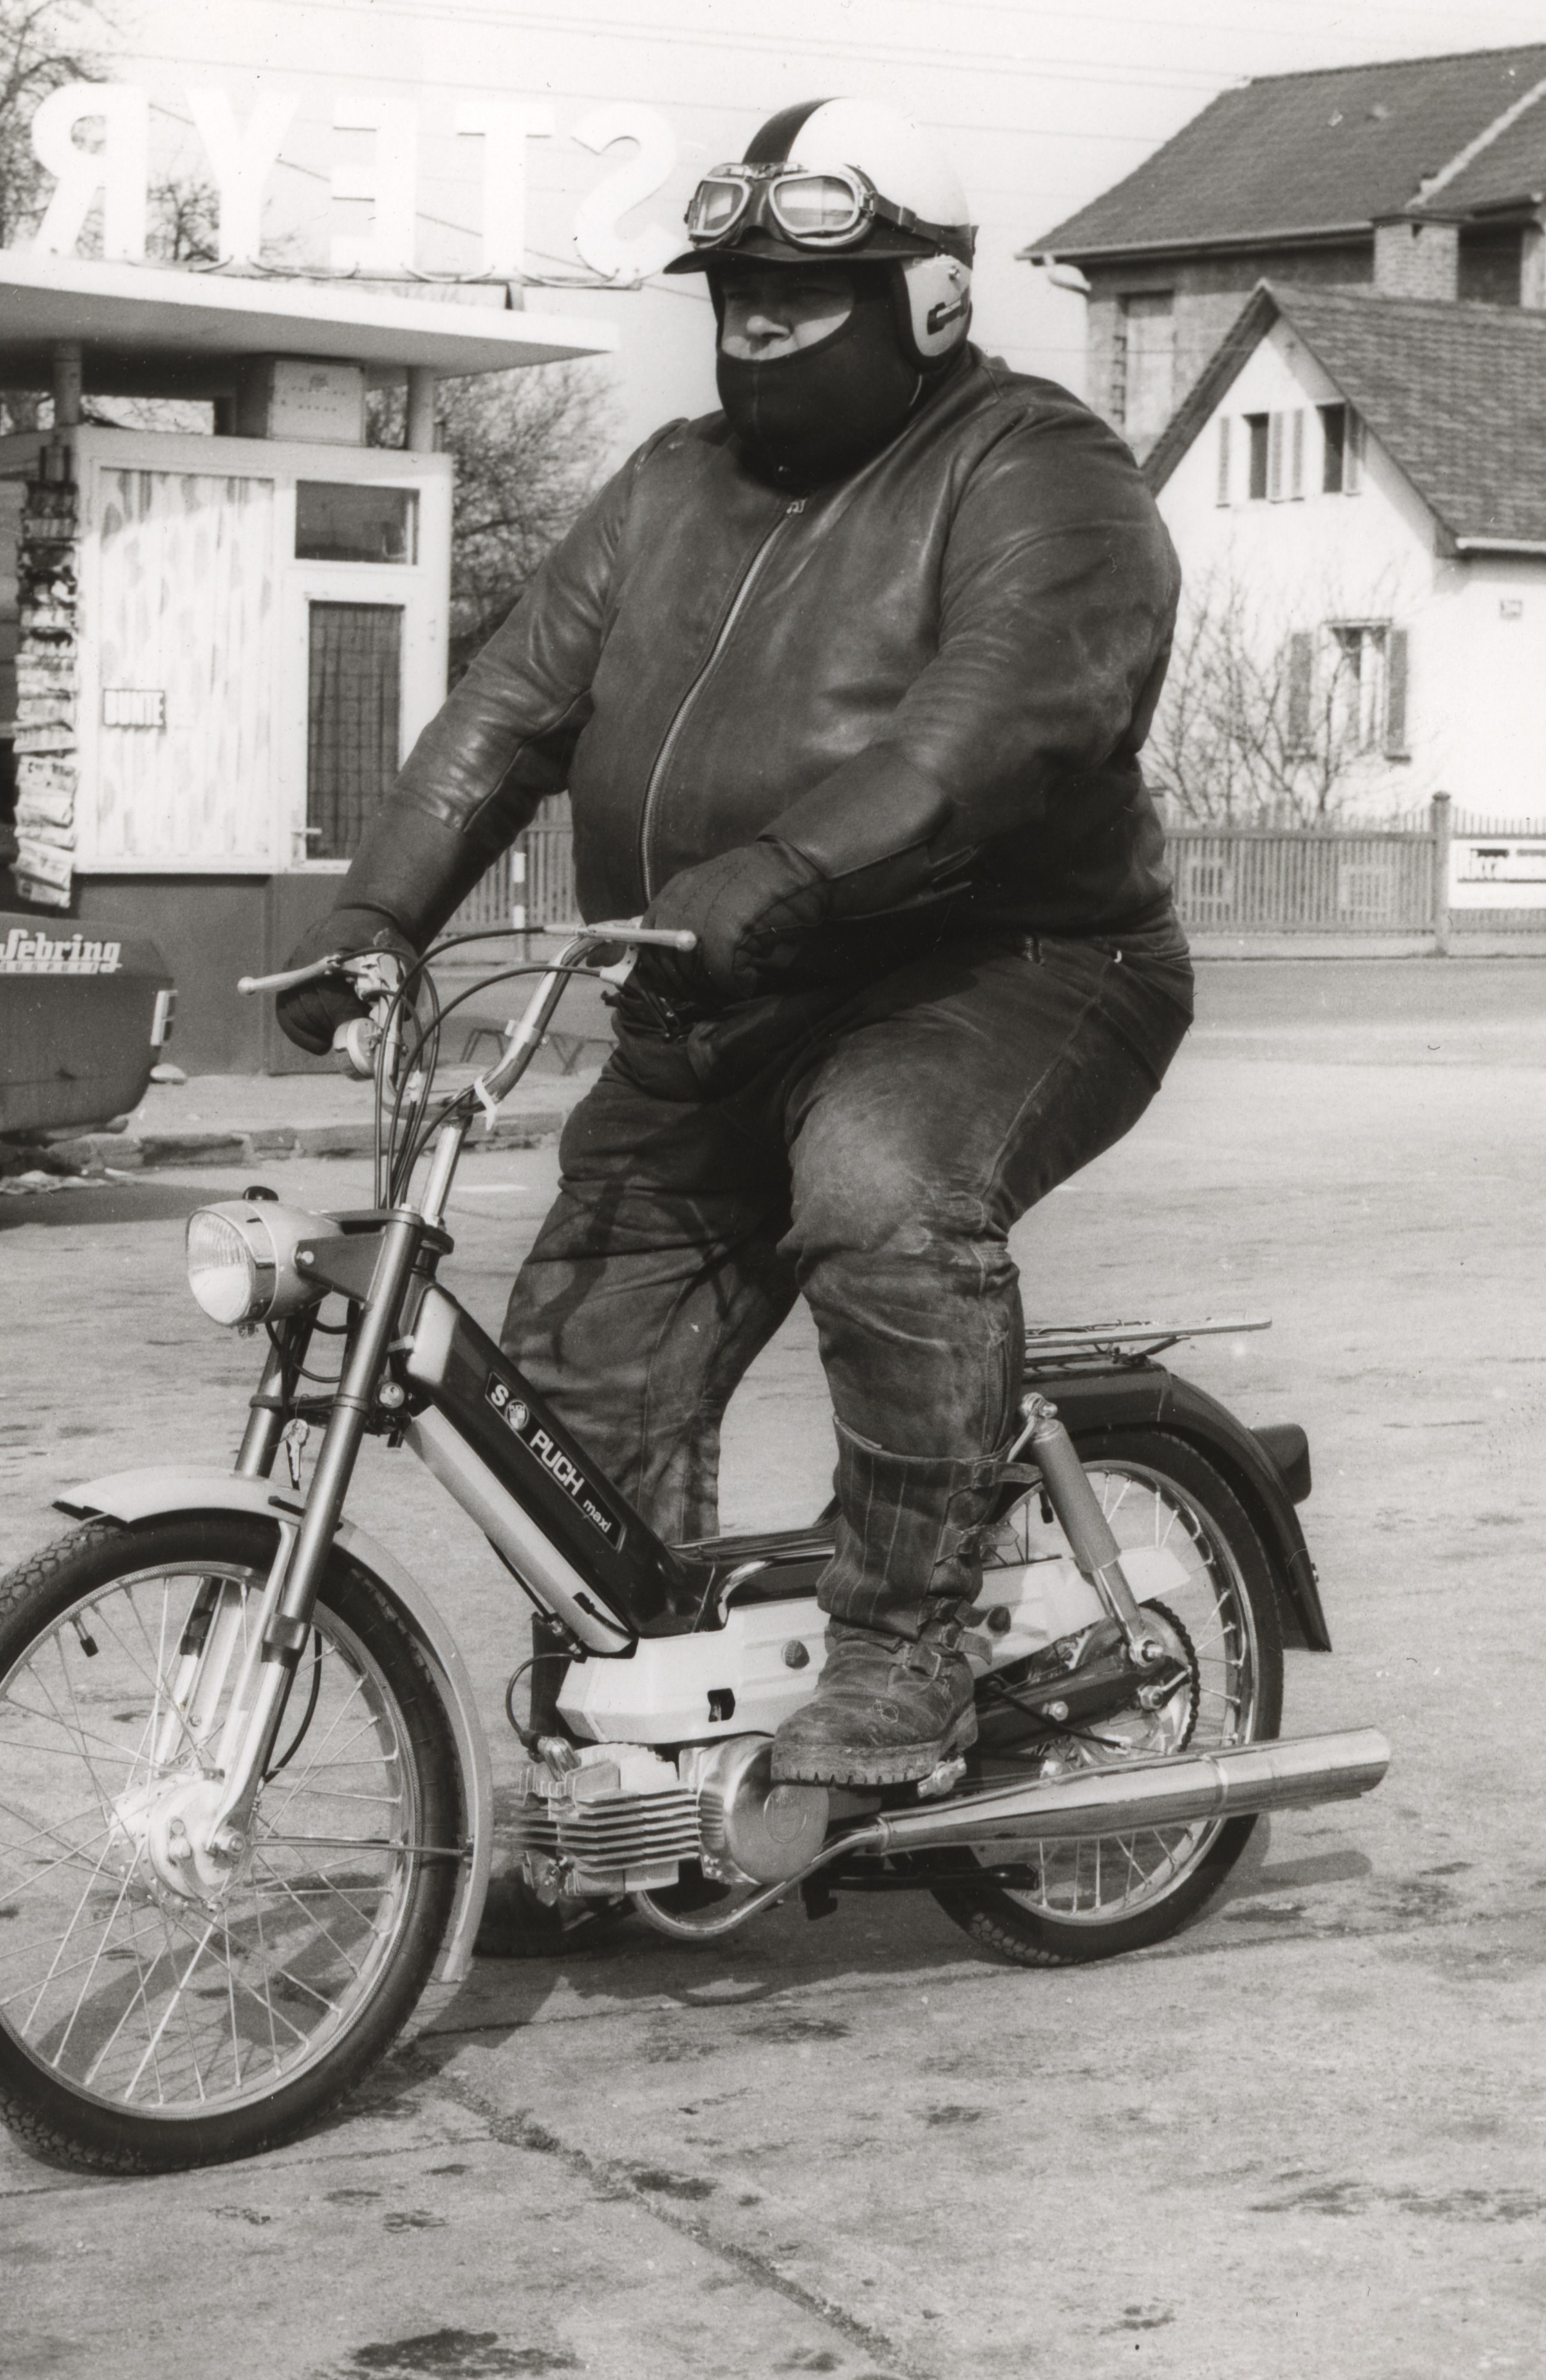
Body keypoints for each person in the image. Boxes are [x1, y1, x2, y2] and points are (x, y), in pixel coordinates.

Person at [279, 95, 1192, 1789]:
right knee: (570, 1366)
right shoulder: (669, 484)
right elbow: (506, 710)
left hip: (1005, 974)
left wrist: (781, 865)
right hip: (715, 994)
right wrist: (374, 916)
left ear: (929, 301)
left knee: (877, 1192)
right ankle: (646, 1762)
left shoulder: (1039, 475)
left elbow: (986, 736)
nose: (754, 318)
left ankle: (905, 1654)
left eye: (799, 289)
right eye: (732, 286)